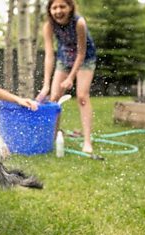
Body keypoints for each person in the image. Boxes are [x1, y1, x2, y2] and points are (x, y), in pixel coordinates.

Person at [36, 0, 96, 153]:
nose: (58, 11)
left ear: (70, 8)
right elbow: (49, 56)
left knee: (82, 96)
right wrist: (46, 85)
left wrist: (71, 77)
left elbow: (81, 53)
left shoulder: (79, 23)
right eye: (54, 7)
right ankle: (53, 137)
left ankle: (88, 141)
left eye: (62, 6)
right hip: (64, 59)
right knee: (54, 98)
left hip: (85, 59)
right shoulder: (49, 26)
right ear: (50, 10)